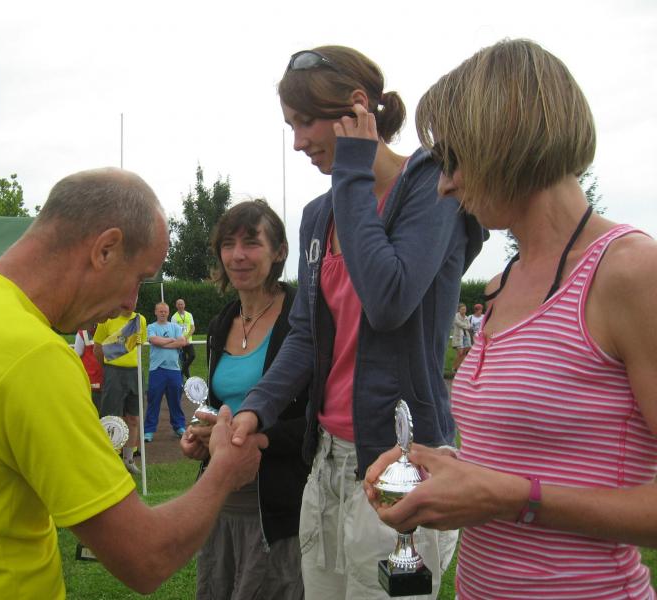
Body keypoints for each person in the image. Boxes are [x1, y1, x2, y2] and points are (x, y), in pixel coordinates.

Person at [0, 167, 265, 598]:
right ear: (105, 249)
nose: (130, 302)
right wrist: (224, 470)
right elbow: (145, 557)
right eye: (137, 279)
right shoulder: (32, 357)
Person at [365, 39, 657, 598]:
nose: (444, 184)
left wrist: (511, 498)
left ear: (506, 137)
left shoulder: (630, 272)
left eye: (453, 159)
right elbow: (527, 458)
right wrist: (444, 468)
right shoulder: (503, 284)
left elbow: (514, 489)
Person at [231, 46, 485, 599]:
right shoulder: (318, 215)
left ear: (356, 107)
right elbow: (306, 333)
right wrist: (258, 405)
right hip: (327, 460)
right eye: (291, 127)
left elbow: (388, 299)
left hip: (402, 460)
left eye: (305, 122)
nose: (298, 142)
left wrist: (351, 172)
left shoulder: (432, 188)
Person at [180, 200, 310, 599]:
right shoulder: (222, 322)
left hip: (279, 507)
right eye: (228, 243)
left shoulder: (302, 319)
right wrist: (200, 432)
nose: (237, 255)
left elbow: (318, 418)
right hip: (221, 499)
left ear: (279, 251)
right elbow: (219, 402)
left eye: (252, 242)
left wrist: (260, 439)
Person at [93, 308, 148, 474]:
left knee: (134, 418)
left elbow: (139, 347)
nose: (131, 304)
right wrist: (108, 368)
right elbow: (97, 349)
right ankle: (110, 461)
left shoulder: (140, 320)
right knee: (111, 418)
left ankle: (128, 460)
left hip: (135, 373)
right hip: (113, 372)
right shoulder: (107, 319)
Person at [144, 301, 187, 442]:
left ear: (168, 313)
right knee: (153, 401)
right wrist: (171, 340)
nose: (163, 313)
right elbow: (154, 340)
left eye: (165, 311)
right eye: (160, 311)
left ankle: (179, 426)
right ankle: (149, 431)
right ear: (155, 312)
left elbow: (182, 342)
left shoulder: (175, 326)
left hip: (174, 370)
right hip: (157, 370)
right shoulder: (151, 327)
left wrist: (164, 343)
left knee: (175, 400)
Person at [74, 324, 104, 414]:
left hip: (99, 379)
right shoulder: (83, 333)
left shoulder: (82, 333)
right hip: (94, 380)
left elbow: (76, 355)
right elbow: (76, 356)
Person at [171, 298, 196, 379]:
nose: (180, 306)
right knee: (183, 360)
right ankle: (188, 379)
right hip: (180, 342)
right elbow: (173, 330)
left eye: (182, 304)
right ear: (176, 306)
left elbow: (193, 328)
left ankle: (181, 372)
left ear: (184, 305)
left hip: (188, 341)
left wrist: (187, 337)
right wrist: (180, 340)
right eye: (179, 304)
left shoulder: (189, 315)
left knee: (192, 355)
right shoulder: (174, 317)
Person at [450, 302, 472, 373]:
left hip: (466, 337)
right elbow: (459, 324)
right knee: (460, 353)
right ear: (459, 310)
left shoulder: (466, 317)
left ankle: (459, 368)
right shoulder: (456, 316)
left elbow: (469, 326)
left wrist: (466, 326)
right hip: (458, 337)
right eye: (462, 309)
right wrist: (466, 326)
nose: (464, 311)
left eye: (465, 309)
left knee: (464, 353)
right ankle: (454, 367)